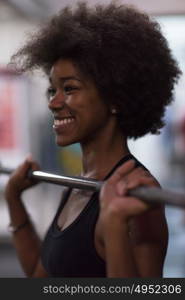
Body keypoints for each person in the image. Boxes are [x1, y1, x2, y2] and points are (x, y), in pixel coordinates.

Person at [5, 1, 181, 278]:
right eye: (53, 90)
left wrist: (113, 224)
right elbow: (42, 278)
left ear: (114, 99)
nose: (54, 102)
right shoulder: (75, 187)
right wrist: (13, 200)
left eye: (69, 88)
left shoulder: (138, 199)